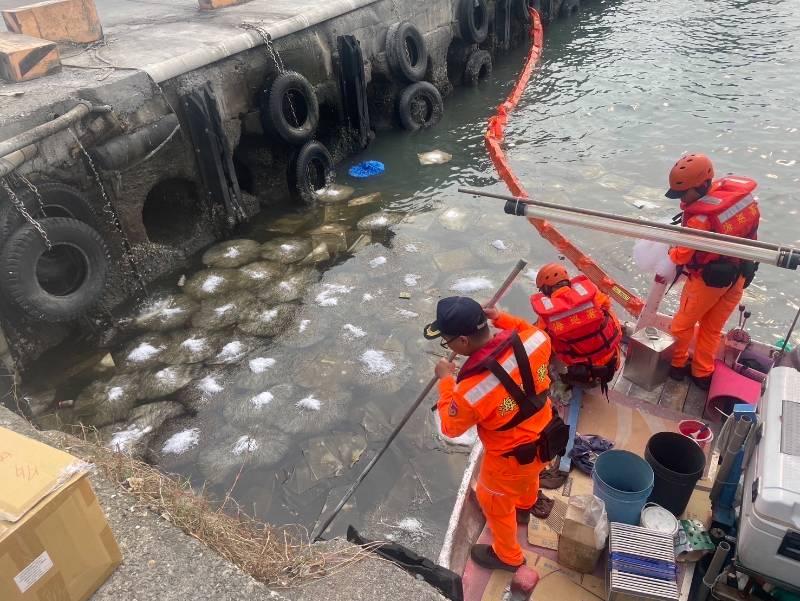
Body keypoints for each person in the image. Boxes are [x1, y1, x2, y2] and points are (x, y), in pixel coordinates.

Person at [425, 296, 568, 572]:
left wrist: (445, 381)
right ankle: (527, 504)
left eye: (447, 340)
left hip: (510, 459)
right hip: (547, 435)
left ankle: (508, 556)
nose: (449, 346)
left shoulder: (470, 391)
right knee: (529, 477)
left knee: (494, 503)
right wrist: (501, 318)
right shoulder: (537, 340)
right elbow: (525, 328)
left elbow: (450, 427)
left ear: (463, 342)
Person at [664, 153, 760, 389]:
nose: (682, 198)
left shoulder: (699, 220)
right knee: (712, 328)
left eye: (684, 193)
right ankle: (702, 373)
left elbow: (681, 255)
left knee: (682, 325)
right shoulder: (739, 199)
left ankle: (677, 366)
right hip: (740, 273)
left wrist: (669, 249)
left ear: (701, 185)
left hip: (708, 282)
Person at [530, 263, 622, 396]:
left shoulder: (546, 316)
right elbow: (607, 306)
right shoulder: (593, 296)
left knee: (545, 341)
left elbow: (536, 338)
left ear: (546, 289)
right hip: (613, 361)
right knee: (606, 314)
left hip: (584, 374)